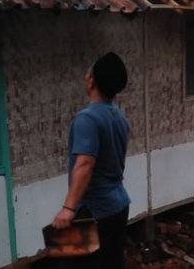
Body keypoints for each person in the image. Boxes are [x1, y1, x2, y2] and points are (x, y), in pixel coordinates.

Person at [51, 52, 131, 269]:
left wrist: (69, 208)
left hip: (94, 212)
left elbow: (85, 164)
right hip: (118, 206)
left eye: (88, 72)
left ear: (92, 81)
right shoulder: (118, 117)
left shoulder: (87, 119)